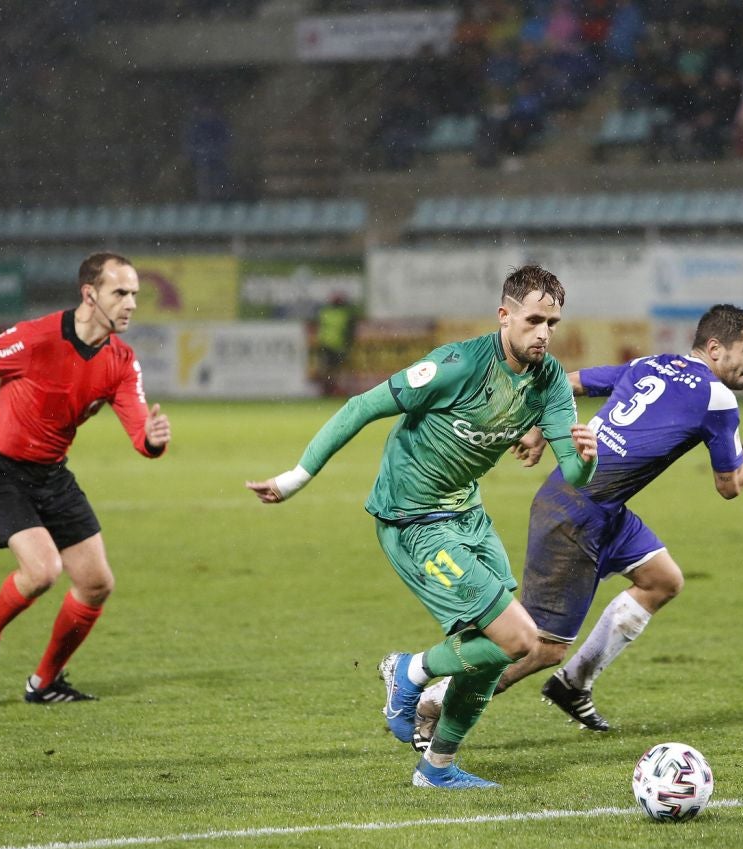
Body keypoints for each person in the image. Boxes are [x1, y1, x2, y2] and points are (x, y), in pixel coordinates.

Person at [245, 264, 597, 789]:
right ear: (504, 316)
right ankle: (408, 670)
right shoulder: (455, 365)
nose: (544, 332)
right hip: (412, 520)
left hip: (467, 517)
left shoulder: (548, 382)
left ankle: (437, 768)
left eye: (553, 322)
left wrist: (586, 458)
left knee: (488, 653)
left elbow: (572, 470)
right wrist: (296, 478)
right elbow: (361, 406)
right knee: (519, 640)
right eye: (533, 319)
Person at [413, 305, 743, 746]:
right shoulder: (718, 398)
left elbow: (566, 380)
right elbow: (731, 485)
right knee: (541, 646)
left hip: (601, 506)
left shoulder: (654, 363)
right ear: (714, 349)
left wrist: (536, 425)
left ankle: (574, 685)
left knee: (661, 580)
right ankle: (437, 700)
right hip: (577, 514)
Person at [0, 252, 171, 704]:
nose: (131, 304)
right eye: (120, 293)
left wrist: (154, 439)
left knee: (97, 583)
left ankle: (44, 682)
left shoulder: (121, 361)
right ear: (89, 294)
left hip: (51, 474)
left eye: (135, 294)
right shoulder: (36, 339)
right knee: (44, 570)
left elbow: (140, 437)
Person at [313, 292, 359, 396]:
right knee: (337, 371)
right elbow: (350, 331)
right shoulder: (345, 314)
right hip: (338, 346)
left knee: (327, 370)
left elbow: (320, 327)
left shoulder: (325, 312)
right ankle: (334, 389)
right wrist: (349, 345)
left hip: (325, 345)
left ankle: (327, 389)